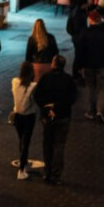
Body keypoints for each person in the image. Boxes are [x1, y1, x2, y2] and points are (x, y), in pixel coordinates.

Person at [33, 55, 77, 186]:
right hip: (63, 116)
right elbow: (72, 99)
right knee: (59, 145)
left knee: (47, 144)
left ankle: (47, 171)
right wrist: (57, 107)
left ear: (54, 64)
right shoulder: (69, 80)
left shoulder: (46, 78)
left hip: (47, 117)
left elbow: (37, 96)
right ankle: (56, 174)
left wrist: (48, 109)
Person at [77, 8, 104, 123]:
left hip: (88, 64)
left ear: (91, 20)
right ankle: (100, 110)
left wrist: (79, 65)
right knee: (101, 87)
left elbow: (80, 50)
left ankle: (91, 110)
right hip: (103, 64)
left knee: (91, 88)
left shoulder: (85, 32)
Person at [10, 61, 38, 181]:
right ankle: (21, 169)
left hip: (17, 116)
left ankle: (24, 161)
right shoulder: (33, 86)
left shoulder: (15, 82)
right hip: (29, 116)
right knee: (26, 142)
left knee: (21, 139)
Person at [25, 18, 58, 84]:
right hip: (49, 64)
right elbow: (56, 51)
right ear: (44, 26)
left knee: (36, 84)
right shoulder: (50, 37)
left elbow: (28, 55)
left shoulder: (31, 39)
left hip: (36, 66)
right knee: (48, 83)